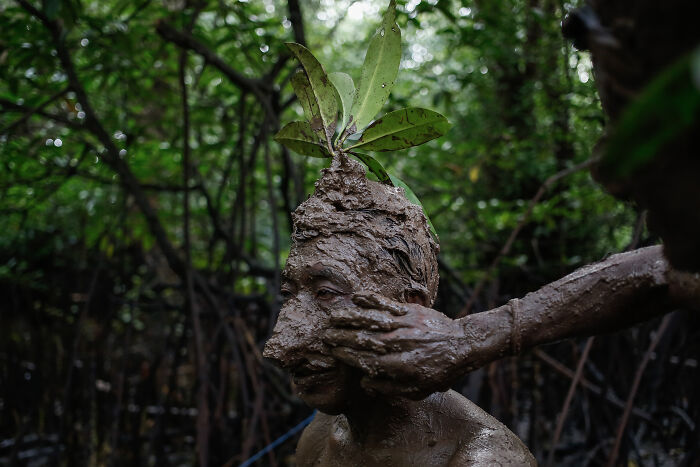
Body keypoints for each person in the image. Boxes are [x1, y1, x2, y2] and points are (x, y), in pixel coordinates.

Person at [263, 155, 536, 466]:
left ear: (408, 309)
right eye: (288, 294)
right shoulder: (321, 434)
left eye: (326, 293)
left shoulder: (480, 460)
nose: (280, 347)